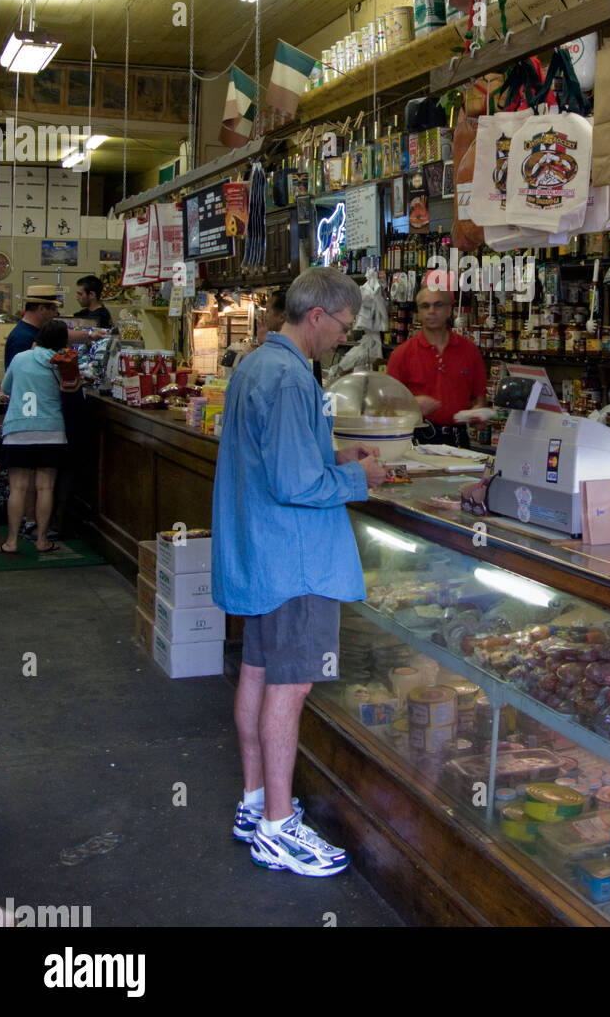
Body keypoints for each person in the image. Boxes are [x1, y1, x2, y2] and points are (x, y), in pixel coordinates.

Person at [212, 266, 387, 877]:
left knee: (258, 673)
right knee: (292, 688)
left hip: (263, 556)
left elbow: (276, 453)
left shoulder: (259, 365)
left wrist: (335, 454)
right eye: (343, 326)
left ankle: (256, 802)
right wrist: (355, 477)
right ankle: (280, 829)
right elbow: (295, 483)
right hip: (297, 559)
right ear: (318, 316)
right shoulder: (290, 378)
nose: (344, 338)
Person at [0, 320, 79, 556]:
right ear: (62, 341)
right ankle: (42, 540)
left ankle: (11, 542)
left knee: (18, 488)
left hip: (18, 429)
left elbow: (6, 388)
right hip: (51, 430)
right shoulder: (62, 364)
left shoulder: (20, 358)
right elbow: (71, 391)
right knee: (45, 487)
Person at [386, 287, 488, 448]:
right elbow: (387, 407)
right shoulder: (401, 354)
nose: (431, 311)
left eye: (438, 305)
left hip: (458, 440)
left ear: (449, 310)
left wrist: (479, 414)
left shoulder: (469, 351)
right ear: (418, 313)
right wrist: (411, 405)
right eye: (425, 306)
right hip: (416, 440)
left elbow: (479, 397)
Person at [4, 285, 105, 371]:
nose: (56, 313)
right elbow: (19, 375)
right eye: (53, 309)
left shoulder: (39, 329)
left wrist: (91, 334)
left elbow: (64, 334)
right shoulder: (21, 338)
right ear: (42, 309)